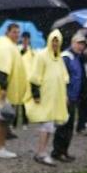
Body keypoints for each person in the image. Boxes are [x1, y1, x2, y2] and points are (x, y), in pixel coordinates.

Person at [25, 30, 69, 166]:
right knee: (46, 125)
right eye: (53, 40)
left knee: (50, 126)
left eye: (57, 41)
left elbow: (63, 77)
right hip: (45, 97)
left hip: (55, 97)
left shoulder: (59, 57)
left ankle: (42, 152)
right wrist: (36, 94)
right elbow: (34, 76)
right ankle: (41, 153)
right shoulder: (42, 55)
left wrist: (64, 95)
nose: (55, 43)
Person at [0, 22, 27, 158]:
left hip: (5, 88)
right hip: (5, 90)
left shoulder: (8, 45)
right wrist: (3, 88)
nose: (17, 35)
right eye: (14, 32)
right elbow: (2, 70)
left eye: (18, 32)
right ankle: (0, 148)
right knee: (3, 119)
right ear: (7, 32)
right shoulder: (5, 46)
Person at [52, 32, 85, 162]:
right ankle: (57, 151)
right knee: (63, 125)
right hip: (66, 97)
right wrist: (64, 95)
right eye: (78, 43)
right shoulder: (66, 57)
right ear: (72, 43)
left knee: (69, 126)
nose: (80, 46)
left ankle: (64, 150)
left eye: (82, 44)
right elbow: (61, 78)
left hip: (74, 97)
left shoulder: (76, 57)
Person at [14, 31, 34, 130]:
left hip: (27, 78)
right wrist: (23, 50)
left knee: (25, 102)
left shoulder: (32, 50)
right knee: (16, 101)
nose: (26, 40)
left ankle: (25, 122)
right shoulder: (17, 48)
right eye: (24, 38)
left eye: (27, 38)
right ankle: (14, 122)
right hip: (18, 78)